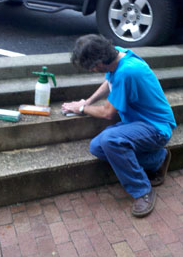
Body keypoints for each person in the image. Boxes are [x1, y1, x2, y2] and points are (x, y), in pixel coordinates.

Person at [62, 34, 176, 217]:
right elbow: (109, 82)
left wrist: (82, 108)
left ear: (99, 63)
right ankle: (158, 159)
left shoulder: (127, 71)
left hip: (156, 128)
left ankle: (142, 191)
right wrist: (88, 101)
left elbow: (107, 113)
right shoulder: (118, 55)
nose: (91, 71)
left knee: (110, 140)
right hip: (138, 123)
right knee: (97, 147)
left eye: (91, 67)